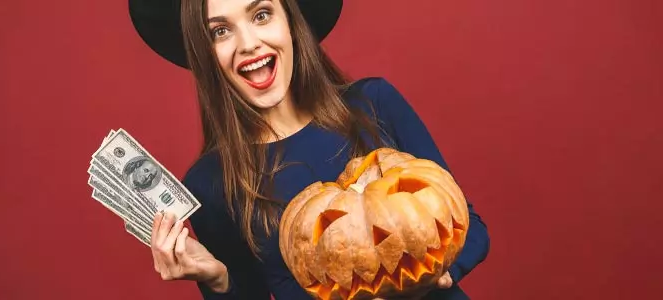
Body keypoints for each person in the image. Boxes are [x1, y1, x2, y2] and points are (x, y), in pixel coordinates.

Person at [127, 0, 490, 299]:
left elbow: (469, 226)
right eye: (220, 31)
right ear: (205, 54)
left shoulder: (374, 105)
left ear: (290, 22)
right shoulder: (211, 182)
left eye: (261, 15)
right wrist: (217, 278)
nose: (249, 43)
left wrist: (434, 278)